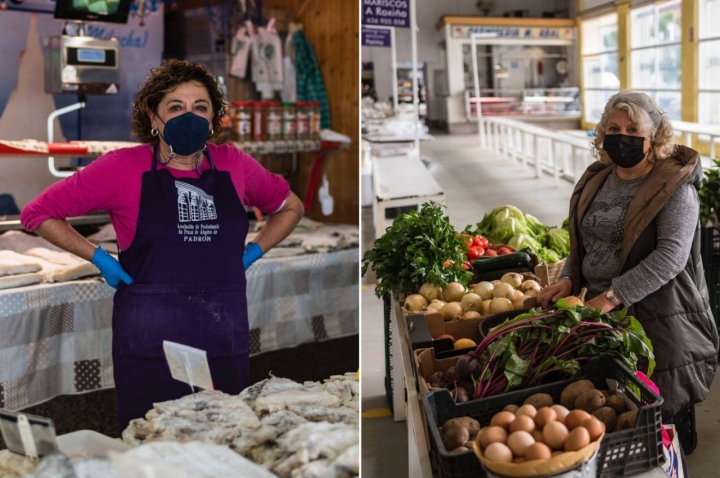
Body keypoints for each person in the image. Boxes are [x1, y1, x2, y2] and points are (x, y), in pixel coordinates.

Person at [20, 60, 304, 431]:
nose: (190, 116)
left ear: (214, 118)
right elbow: (38, 213)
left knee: (227, 442)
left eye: (201, 107)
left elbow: (290, 207)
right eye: (176, 107)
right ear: (153, 118)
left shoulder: (235, 164)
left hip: (221, 334)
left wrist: (254, 250)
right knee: (151, 443)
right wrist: (99, 258)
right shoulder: (122, 167)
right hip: (150, 343)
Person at [538, 91, 718, 420]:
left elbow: (671, 256)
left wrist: (613, 295)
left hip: (654, 316)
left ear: (654, 138)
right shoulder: (599, 178)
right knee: (613, 407)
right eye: (615, 128)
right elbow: (587, 240)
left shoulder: (674, 187)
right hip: (599, 314)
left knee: (655, 408)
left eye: (634, 131)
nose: (623, 137)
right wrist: (567, 278)